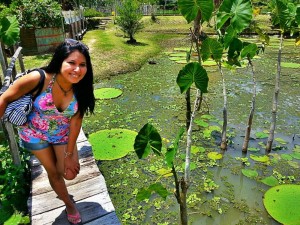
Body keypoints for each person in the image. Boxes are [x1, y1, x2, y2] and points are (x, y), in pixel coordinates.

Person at [0, 39, 95, 224]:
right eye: (72, 63)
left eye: (82, 64)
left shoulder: (81, 88)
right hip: (33, 132)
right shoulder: (39, 78)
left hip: (61, 133)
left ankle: (62, 178)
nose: (77, 69)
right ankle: (69, 204)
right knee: (53, 172)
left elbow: (76, 122)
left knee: (70, 173)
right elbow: (4, 98)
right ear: (60, 61)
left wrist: (68, 154)